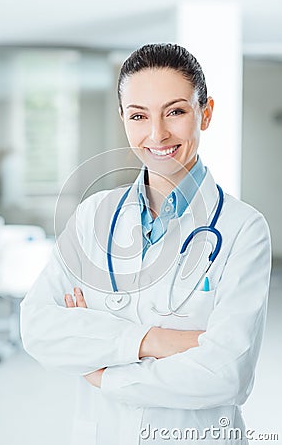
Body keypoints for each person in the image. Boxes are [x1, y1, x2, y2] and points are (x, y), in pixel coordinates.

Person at [20, 43, 271, 445]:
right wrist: (155, 340)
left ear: (205, 113)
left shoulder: (243, 229)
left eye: (175, 111)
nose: (157, 134)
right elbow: (37, 327)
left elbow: (228, 374)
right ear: (123, 119)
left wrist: (104, 369)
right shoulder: (93, 216)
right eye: (139, 115)